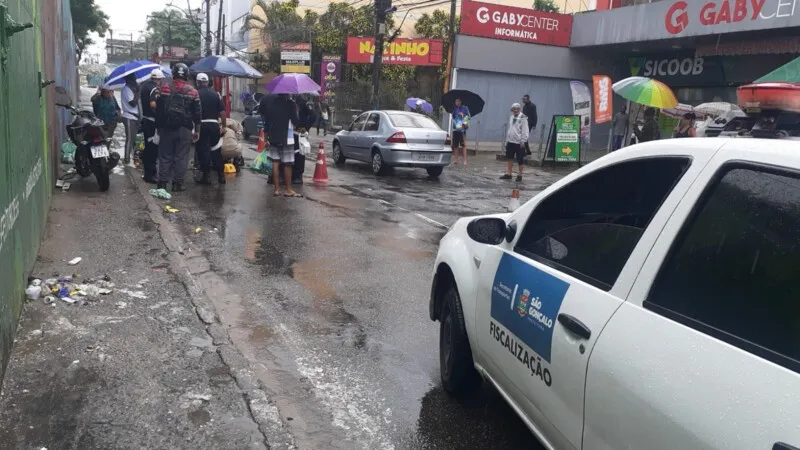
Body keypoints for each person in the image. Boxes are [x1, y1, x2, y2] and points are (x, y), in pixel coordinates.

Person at [155, 63, 202, 192]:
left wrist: (159, 127)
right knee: (181, 157)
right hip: (185, 129)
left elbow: (159, 110)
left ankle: (162, 183)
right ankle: (177, 184)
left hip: (166, 128)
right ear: (186, 75)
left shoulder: (164, 88)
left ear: (173, 74)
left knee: (165, 155)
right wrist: (197, 130)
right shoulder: (193, 91)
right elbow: (198, 113)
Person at [260, 93, 302, 197]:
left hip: (273, 136)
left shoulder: (271, 104)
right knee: (287, 164)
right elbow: (296, 121)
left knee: (275, 162)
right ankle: (288, 189)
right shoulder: (290, 104)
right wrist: (296, 110)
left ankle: (276, 189)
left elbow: (266, 123)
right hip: (286, 137)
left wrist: (266, 139)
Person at [195, 73, 227, 185]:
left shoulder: (196, 94)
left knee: (203, 151)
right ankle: (221, 175)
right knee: (216, 151)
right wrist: (224, 127)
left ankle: (206, 176)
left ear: (198, 82)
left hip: (201, 125)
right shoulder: (216, 95)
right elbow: (222, 113)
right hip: (214, 126)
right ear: (207, 82)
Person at [139, 68, 165, 183]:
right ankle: (151, 174)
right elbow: (153, 104)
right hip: (152, 122)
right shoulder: (154, 89)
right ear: (158, 79)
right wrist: (160, 115)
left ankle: (147, 173)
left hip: (145, 119)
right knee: (153, 148)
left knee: (148, 147)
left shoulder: (144, 86)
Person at [501, 103, 530, 182]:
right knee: (510, 158)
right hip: (510, 141)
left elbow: (525, 130)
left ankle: (520, 175)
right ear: (512, 110)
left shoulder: (523, 117)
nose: (516, 110)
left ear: (519, 109)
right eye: (514, 109)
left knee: (520, 159)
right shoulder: (512, 117)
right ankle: (509, 174)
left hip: (519, 142)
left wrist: (523, 141)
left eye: (517, 108)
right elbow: (511, 129)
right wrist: (507, 140)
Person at [292, 99, 316, 185]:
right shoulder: (286, 101)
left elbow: (313, 116)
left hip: (300, 133)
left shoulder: (302, 103)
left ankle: (298, 176)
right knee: (290, 154)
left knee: (300, 154)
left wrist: (306, 127)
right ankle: (290, 175)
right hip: (289, 133)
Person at [121, 73, 141, 164]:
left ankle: (134, 157)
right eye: (133, 79)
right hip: (129, 117)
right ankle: (126, 159)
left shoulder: (132, 89)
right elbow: (132, 103)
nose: (135, 80)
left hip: (135, 117)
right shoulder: (126, 89)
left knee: (133, 139)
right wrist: (137, 93)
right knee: (129, 139)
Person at [451, 98, 470, 165]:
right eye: (455, 101)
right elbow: (453, 117)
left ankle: (465, 160)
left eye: (458, 101)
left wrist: (463, 115)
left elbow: (468, 117)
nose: (456, 102)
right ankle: (456, 159)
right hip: (456, 129)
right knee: (455, 145)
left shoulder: (465, 108)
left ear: (460, 101)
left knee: (463, 145)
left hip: (462, 129)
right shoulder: (454, 109)